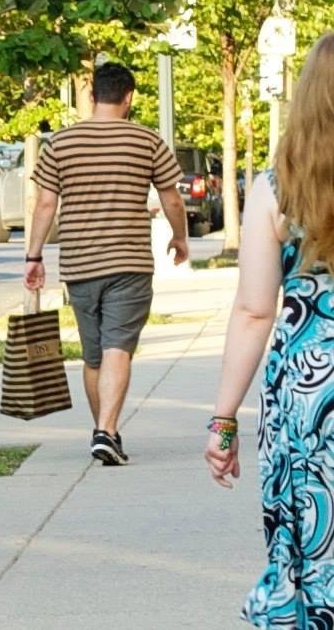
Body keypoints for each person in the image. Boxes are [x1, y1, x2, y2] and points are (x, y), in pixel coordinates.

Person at [205, 33, 334, 628]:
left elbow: (254, 310)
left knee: (310, 536)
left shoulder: (277, 189)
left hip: (309, 388)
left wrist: (223, 419)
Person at [24, 62, 188, 465]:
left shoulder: (59, 144)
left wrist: (34, 255)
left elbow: (45, 204)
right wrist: (180, 236)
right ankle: (106, 432)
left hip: (79, 264)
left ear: (93, 95)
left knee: (94, 354)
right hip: (129, 261)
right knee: (118, 346)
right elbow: (171, 197)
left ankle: (104, 431)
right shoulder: (146, 140)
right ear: (128, 97)